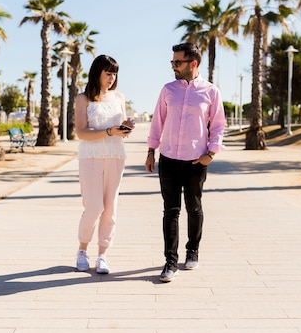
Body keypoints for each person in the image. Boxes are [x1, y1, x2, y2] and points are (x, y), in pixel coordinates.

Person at [144, 42, 225, 283]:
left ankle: (192, 251)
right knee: (171, 210)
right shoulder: (168, 90)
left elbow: (219, 125)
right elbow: (157, 121)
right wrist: (151, 151)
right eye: (172, 62)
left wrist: (210, 154)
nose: (173, 67)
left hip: (195, 161)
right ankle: (170, 261)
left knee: (194, 207)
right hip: (168, 158)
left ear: (193, 63)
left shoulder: (211, 92)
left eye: (177, 63)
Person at [74, 55, 135, 274]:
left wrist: (126, 127)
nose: (112, 78)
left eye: (114, 74)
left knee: (110, 210)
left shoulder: (119, 97)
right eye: (108, 73)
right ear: (97, 73)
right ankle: (82, 249)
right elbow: (81, 132)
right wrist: (109, 131)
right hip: (90, 156)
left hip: (116, 155)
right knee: (94, 208)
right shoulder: (83, 99)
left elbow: (121, 130)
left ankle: (102, 255)